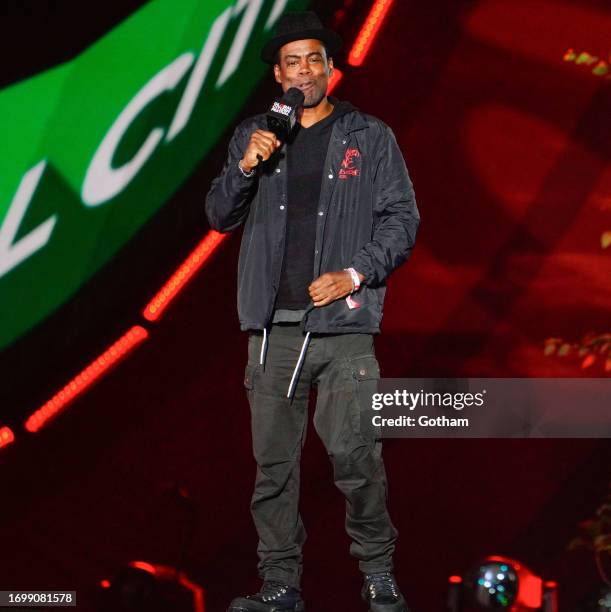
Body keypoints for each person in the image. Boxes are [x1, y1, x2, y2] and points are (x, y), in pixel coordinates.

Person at [205, 10, 420, 612]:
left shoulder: (368, 136)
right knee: (273, 469)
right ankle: (281, 585)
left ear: (331, 68)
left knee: (355, 455)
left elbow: (403, 219)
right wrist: (247, 164)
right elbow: (218, 215)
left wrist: (356, 271)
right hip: (273, 331)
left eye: (314, 60)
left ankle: (379, 574)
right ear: (278, 74)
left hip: (342, 326)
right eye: (292, 62)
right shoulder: (257, 134)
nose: (304, 71)